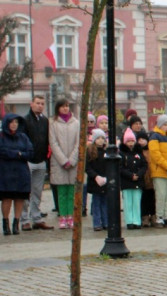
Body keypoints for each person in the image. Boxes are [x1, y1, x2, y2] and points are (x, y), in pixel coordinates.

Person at [0, 113, 33, 237]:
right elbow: (0, 151)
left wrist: (19, 154)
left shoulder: (23, 137)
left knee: (19, 197)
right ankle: (5, 223)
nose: (14, 124)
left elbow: (30, 152)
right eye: (11, 122)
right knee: (7, 197)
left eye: (16, 122)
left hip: (21, 171)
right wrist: (18, 154)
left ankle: (16, 223)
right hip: (5, 171)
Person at [21, 94, 52, 230]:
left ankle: (36, 217)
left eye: (42, 103)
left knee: (37, 191)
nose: (40, 106)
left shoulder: (45, 121)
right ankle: (24, 219)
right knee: (26, 191)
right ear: (31, 104)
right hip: (29, 160)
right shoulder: (25, 120)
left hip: (41, 160)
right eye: (37, 103)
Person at [49, 99, 80, 229]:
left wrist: (72, 159)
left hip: (73, 162)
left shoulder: (76, 123)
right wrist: (63, 160)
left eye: (67, 106)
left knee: (71, 192)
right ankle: (62, 216)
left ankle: (71, 216)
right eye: (62, 107)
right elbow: (53, 142)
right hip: (59, 162)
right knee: (61, 192)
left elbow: (79, 143)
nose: (65, 109)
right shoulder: (53, 123)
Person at [119, 128, 148, 230]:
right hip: (127, 182)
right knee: (128, 203)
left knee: (136, 202)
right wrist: (130, 175)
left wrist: (138, 175)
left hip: (138, 182)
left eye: (132, 141)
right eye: (128, 141)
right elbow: (121, 168)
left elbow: (144, 165)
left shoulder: (139, 154)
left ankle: (137, 221)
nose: (130, 143)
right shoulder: (122, 154)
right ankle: (129, 221)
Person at [84, 129, 110, 232]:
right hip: (95, 181)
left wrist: (107, 177)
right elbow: (88, 167)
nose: (100, 140)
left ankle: (106, 222)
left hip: (105, 180)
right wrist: (95, 176)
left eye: (102, 138)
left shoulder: (107, 152)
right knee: (96, 203)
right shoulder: (90, 151)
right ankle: (97, 223)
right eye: (98, 138)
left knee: (105, 202)